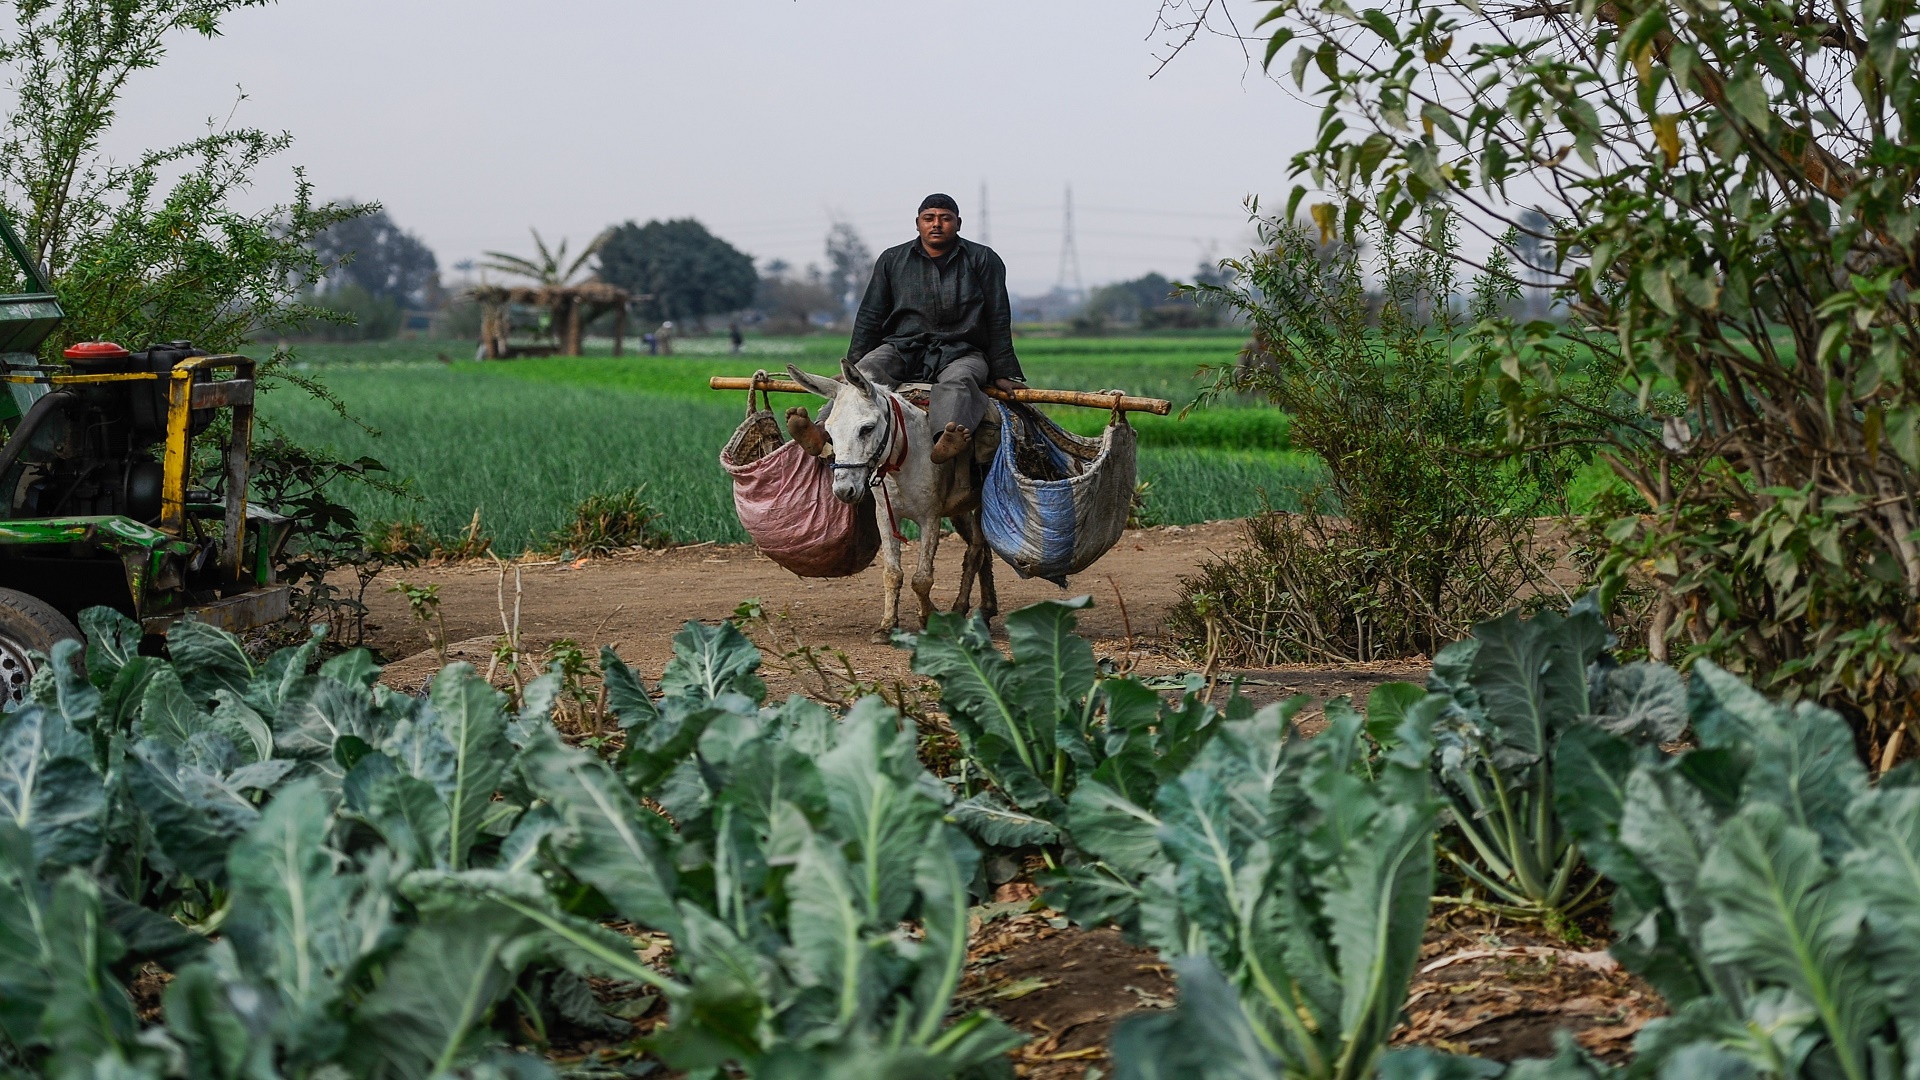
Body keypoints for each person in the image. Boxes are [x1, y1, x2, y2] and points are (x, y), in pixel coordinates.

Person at [788, 193, 1023, 465]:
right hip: (903, 346)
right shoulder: (892, 259)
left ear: (958, 224)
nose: (937, 224)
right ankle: (820, 430)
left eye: (945, 219)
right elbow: (870, 316)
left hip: (963, 349)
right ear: (917, 223)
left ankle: (945, 440)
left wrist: (1003, 372)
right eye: (929, 219)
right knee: (865, 375)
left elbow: (997, 316)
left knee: (959, 380)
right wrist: (853, 366)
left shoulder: (983, 259)